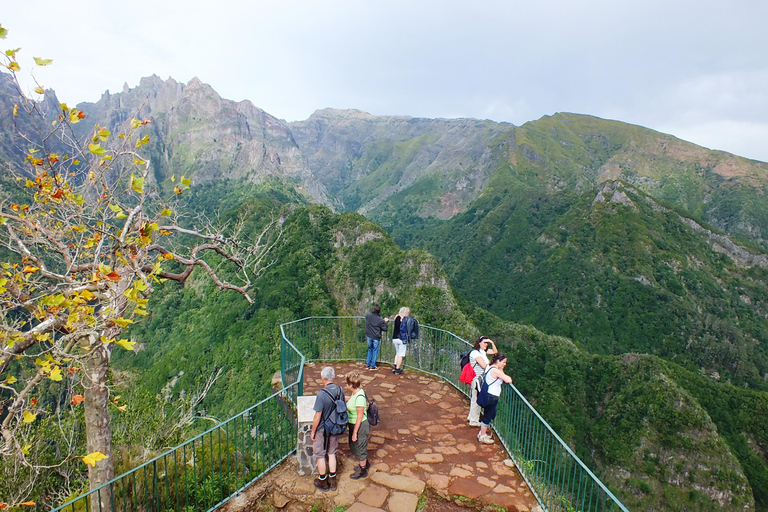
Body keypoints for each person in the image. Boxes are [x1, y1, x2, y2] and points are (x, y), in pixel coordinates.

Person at [311, 366, 345, 491]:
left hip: (322, 429)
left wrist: (313, 432)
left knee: (320, 454)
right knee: (331, 453)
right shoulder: (340, 390)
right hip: (335, 427)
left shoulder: (321, 395)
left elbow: (317, 416)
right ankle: (333, 480)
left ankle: (323, 481)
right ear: (334, 377)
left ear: (322, 379)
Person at [477, 352, 513, 444]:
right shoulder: (496, 371)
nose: (505, 364)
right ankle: (482, 436)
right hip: (492, 396)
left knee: (489, 414)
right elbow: (508, 380)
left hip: (488, 394)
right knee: (488, 416)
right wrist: (501, 370)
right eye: (503, 362)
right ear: (498, 361)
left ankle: (482, 432)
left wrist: (501, 369)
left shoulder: (490, 367)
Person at [467, 336, 497, 427]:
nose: (486, 344)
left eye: (487, 343)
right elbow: (484, 366)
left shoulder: (482, 352)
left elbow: (495, 351)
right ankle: (473, 420)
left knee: (475, 399)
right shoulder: (475, 353)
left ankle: (471, 417)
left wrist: (492, 343)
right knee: (476, 400)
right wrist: (494, 367)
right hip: (477, 380)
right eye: (484, 342)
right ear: (479, 343)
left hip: (480, 380)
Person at [345, 371, 370, 479]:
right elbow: (352, 400)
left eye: (347, 383)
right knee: (353, 446)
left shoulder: (360, 397)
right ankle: (364, 463)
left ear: (351, 384)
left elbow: (360, 416)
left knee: (359, 447)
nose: (346, 385)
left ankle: (363, 469)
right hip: (353, 424)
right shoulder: (355, 393)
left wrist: (355, 432)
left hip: (359, 426)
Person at [364, 305, 388, 370]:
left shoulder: (368, 316)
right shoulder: (380, 319)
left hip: (369, 336)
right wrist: (385, 322)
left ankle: (368, 364)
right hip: (376, 337)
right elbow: (385, 329)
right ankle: (373, 365)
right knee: (375, 350)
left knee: (370, 349)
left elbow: (366, 317)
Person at [391, 307, 409, 374]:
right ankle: (398, 369)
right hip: (401, 339)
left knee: (397, 353)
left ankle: (395, 366)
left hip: (394, 338)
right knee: (401, 354)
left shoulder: (396, 317)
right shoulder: (405, 320)